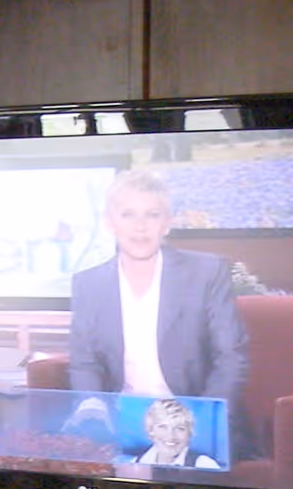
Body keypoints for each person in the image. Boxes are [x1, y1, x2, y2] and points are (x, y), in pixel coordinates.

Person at [68, 169, 248, 406]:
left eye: (152, 215)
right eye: (127, 215)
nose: (140, 226)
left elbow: (230, 359)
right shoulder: (88, 284)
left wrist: (202, 421)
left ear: (167, 223)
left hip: (194, 418)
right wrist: (92, 411)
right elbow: (84, 364)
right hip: (121, 421)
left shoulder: (206, 273)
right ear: (109, 223)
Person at [136, 398, 220, 469]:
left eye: (179, 428)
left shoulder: (205, 465)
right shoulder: (136, 462)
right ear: (151, 430)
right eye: (163, 427)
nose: (171, 436)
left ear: (189, 434)